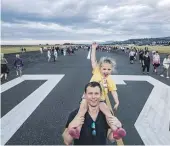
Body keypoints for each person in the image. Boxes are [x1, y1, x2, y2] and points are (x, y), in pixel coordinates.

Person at [68, 42, 125, 140]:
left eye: (108, 69)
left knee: (108, 115)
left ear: (111, 70)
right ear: (100, 68)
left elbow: (113, 91)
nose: (106, 71)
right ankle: (77, 130)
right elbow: (93, 61)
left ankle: (116, 130)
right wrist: (93, 49)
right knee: (81, 112)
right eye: (104, 69)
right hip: (87, 98)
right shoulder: (97, 72)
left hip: (101, 100)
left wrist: (117, 101)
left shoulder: (110, 80)